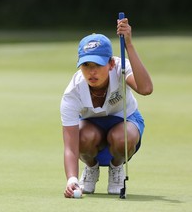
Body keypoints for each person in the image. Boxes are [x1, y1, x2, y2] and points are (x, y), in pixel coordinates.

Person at [60, 17, 153, 198]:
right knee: (83, 137)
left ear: (110, 64)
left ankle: (116, 168)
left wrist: (129, 45)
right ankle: (91, 168)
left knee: (122, 137)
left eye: (98, 65)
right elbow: (70, 147)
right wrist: (71, 179)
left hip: (125, 122)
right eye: (86, 65)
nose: (91, 72)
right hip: (91, 129)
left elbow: (146, 89)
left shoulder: (120, 68)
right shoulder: (72, 93)